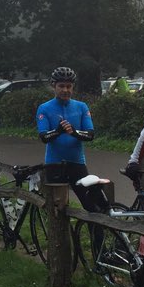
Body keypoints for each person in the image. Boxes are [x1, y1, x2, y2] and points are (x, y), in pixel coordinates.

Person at [35, 66, 102, 214]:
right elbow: (44, 137)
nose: (65, 90)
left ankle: (95, 230)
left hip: (77, 163)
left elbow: (90, 134)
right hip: (54, 164)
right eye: (61, 86)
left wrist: (74, 132)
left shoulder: (81, 107)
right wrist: (58, 131)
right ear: (54, 86)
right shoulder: (44, 108)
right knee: (57, 211)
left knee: (91, 206)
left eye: (69, 86)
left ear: (73, 87)